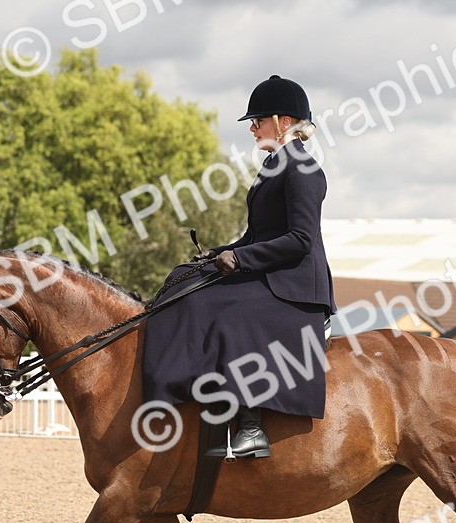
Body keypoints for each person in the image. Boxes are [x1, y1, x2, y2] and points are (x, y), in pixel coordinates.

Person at [141, 75, 335, 459]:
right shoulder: (274, 168)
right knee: (183, 280)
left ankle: (249, 426)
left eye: (257, 121)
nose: (251, 128)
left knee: (218, 309)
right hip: (274, 276)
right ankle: (202, 405)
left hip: (296, 288)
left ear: (282, 122)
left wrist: (241, 259)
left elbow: (300, 240)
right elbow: (255, 236)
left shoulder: (303, 169)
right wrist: (219, 253)